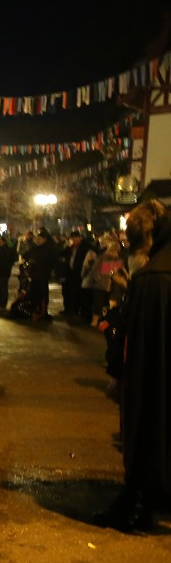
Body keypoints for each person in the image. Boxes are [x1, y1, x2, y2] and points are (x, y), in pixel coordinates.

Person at [99, 200, 169, 531]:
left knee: (148, 431)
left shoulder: (152, 277)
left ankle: (140, 503)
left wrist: (117, 369)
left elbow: (132, 337)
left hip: (151, 374)